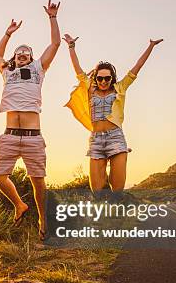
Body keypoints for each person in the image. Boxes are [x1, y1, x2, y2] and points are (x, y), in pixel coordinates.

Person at [0, 0, 61, 241]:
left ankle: (43, 220)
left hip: (33, 137)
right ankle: (19, 205)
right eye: (19, 53)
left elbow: (55, 44)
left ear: (31, 58)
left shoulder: (39, 69)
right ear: (15, 58)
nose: (22, 54)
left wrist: (52, 18)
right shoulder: (7, 71)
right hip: (9, 134)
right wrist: (8, 33)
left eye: (26, 53)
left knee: (38, 181)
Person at [63, 33, 163, 198]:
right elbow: (78, 70)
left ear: (112, 78)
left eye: (107, 78)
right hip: (95, 139)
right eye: (100, 78)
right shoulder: (89, 88)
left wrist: (150, 46)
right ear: (96, 77)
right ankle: (106, 175)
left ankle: (119, 158)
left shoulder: (120, 87)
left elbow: (137, 67)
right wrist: (71, 47)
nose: (103, 81)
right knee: (96, 190)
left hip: (115, 137)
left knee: (117, 189)